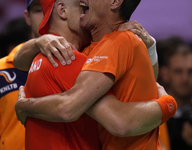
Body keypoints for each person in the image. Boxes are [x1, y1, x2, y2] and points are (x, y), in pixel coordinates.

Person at [15, 0, 177, 149]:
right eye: (80, 5)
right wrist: (169, 104)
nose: (84, 1)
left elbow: (143, 87)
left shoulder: (39, 59)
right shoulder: (68, 58)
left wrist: (26, 106)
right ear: (62, 11)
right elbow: (119, 122)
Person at [0, 0, 43, 149]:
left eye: (55, 8)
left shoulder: (86, 60)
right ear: (27, 17)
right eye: (39, 10)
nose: (47, 15)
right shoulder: (1, 69)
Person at [157, 36, 192, 150]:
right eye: (178, 71)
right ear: (165, 74)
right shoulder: (154, 113)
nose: (184, 79)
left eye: (191, 72)